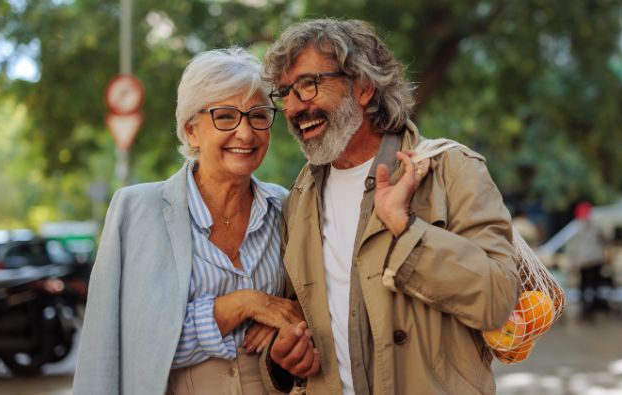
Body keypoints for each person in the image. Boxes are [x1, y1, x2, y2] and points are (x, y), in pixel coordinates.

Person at [259, 18, 521, 394]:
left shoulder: (453, 170)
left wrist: (407, 228)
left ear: (364, 88)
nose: (295, 107)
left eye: (308, 85)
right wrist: (282, 358)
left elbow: (498, 301)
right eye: (285, 92)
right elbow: (296, 316)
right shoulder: (298, 198)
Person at [73, 47, 308, 394]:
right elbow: (116, 343)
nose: (245, 133)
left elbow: (315, 303)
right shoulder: (136, 211)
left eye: (258, 115)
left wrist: (295, 319)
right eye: (225, 117)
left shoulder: (287, 207)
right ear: (192, 131)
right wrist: (246, 304)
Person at [565, 201, 609, 320]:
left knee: (588, 285)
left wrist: (573, 262)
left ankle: (589, 307)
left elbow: (571, 248)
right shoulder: (591, 226)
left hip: (589, 261)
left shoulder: (579, 228)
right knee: (589, 285)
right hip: (590, 261)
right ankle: (587, 307)